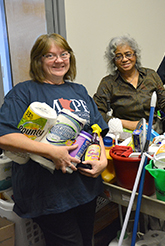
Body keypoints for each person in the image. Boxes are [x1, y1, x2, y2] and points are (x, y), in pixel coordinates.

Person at [0, 33, 108, 245]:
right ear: (38, 60)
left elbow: (95, 128)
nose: (59, 60)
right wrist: (50, 151)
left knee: (86, 241)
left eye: (63, 54)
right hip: (48, 194)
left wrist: (102, 159)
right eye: (50, 55)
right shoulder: (24, 92)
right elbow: (3, 135)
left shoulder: (78, 90)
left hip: (84, 188)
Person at [93, 35, 165, 133]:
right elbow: (97, 112)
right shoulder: (108, 83)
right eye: (118, 56)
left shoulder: (150, 75)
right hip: (124, 134)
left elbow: (164, 101)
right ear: (113, 60)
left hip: (154, 132)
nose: (124, 59)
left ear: (135, 55)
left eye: (128, 54)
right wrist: (126, 123)